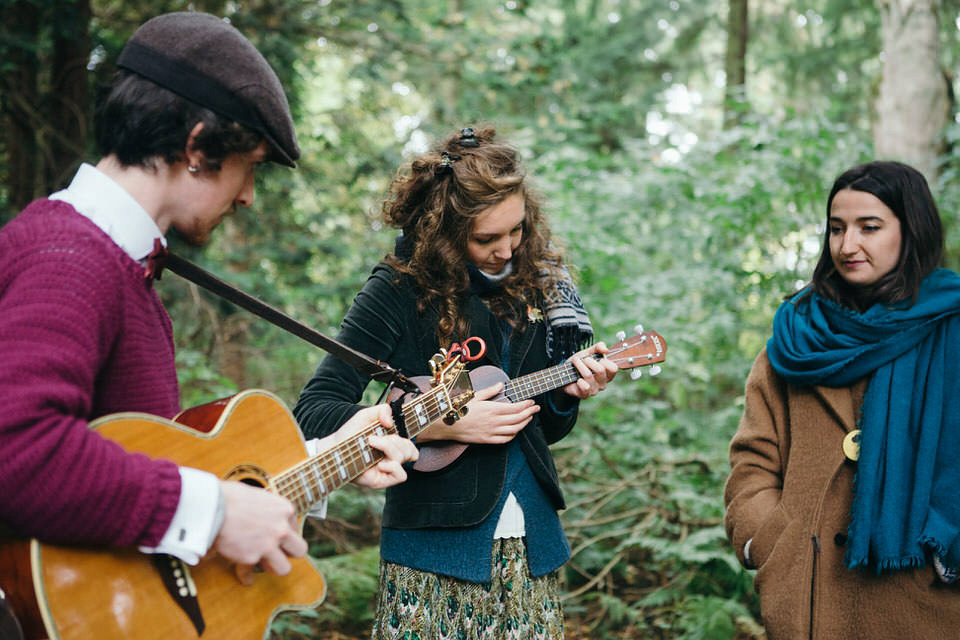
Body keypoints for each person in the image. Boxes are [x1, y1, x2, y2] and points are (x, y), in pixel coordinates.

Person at [0, 10, 417, 593]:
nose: (247, 197)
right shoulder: (69, 256)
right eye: (249, 169)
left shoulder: (123, 266)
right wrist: (214, 511)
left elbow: (137, 469)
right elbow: (17, 450)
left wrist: (329, 456)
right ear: (197, 148)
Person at [294, 125, 618, 638]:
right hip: (430, 552)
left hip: (532, 544)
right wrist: (436, 425)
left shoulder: (540, 285)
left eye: (516, 230)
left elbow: (540, 431)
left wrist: (566, 395)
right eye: (486, 238)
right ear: (443, 232)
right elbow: (314, 410)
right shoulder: (398, 288)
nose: (507, 250)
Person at [724, 160, 960, 639]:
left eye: (869, 227)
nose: (848, 245)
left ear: (910, 230)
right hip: (808, 596)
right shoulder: (795, 337)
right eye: (837, 229)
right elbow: (753, 462)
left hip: (923, 601)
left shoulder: (951, 329)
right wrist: (767, 539)